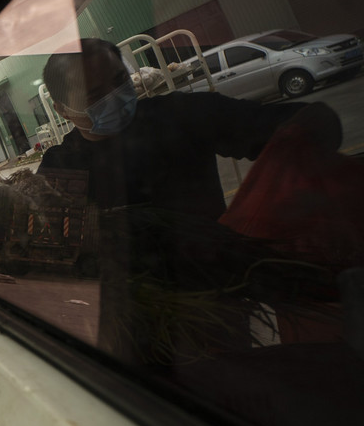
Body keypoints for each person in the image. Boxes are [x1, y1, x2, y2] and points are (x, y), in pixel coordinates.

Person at [37, 38, 344, 362]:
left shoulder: (178, 115)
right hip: (131, 323)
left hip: (213, 301)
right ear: (63, 110)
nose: (114, 98)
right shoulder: (61, 168)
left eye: (120, 81)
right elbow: (53, 258)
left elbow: (296, 123)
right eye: (95, 95)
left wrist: (307, 135)